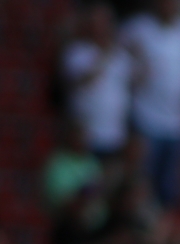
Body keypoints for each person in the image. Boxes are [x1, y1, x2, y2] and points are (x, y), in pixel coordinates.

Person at [121, 0, 180, 211]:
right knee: (144, 180)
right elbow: (115, 51)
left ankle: (161, 224)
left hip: (177, 121)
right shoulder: (138, 27)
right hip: (147, 116)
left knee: (168, 186)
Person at [61, 3, 132, 161]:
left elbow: (135, 82)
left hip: (115, 135)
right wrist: (104, 56)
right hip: (85, 137)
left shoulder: (121, 55)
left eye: (105, 22)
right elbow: (81, 81)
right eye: (96, 23)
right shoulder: (77, 52)